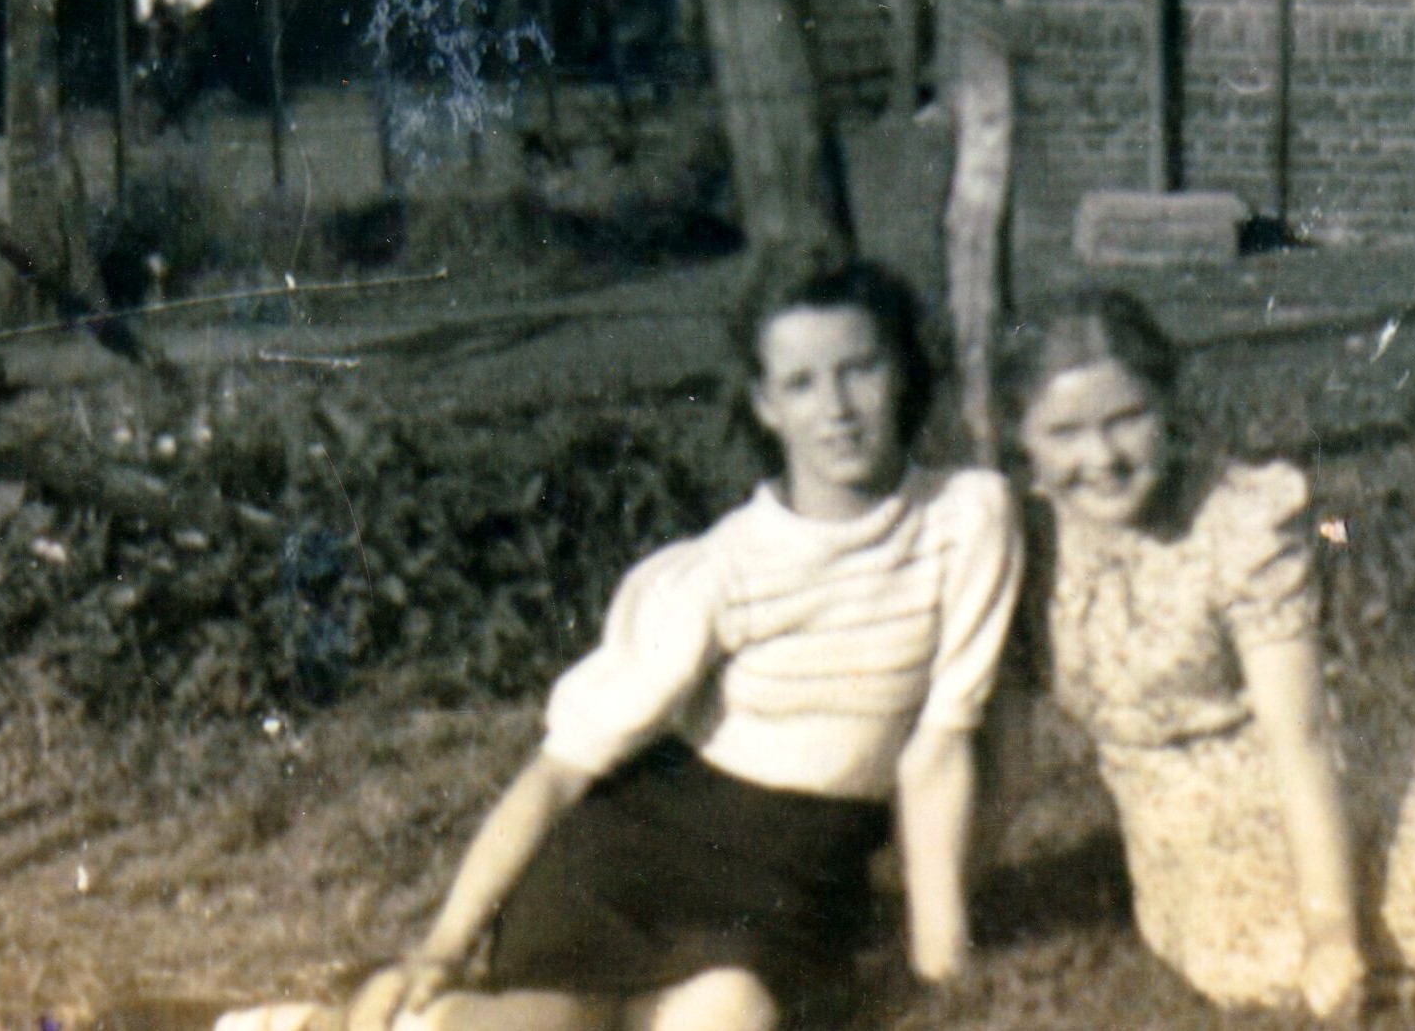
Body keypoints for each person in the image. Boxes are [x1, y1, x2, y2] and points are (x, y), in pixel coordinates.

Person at [211, 262, 1021, 1031]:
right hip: (629, 860)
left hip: (789, 886)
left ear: (903, 371)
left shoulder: (967, 518)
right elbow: (560, 770)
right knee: (550, 1027)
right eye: (801, 383)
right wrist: (445, 945)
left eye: (860, 369)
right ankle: (335, 1022)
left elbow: (941, 746)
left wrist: (941, 964)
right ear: (766, 405)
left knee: (733, 1017)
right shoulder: (723, 570)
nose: (836, 407)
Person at [1005, 290, 1415, 1020]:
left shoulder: (1236, 520)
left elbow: (1298, 734)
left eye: (1126, 418)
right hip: (1183, 823)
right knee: (1260, 967)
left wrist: (1329, 929)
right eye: (1065, 432)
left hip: (1320, 779)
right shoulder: (1021, 544)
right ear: (1023, 436)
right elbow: (981, 740)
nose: (1102, 458)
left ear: (1168, 409)